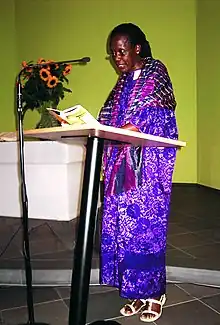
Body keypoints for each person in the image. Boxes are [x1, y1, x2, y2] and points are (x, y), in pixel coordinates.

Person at [98, 23, 178, 323]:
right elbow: (106, 116)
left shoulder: (156, 72)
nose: (117, 58)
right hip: (121, 168)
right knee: (123, 229)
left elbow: (164, 114)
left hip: (146, 168)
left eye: (121, 51)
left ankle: (155, 293)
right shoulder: (120, 85)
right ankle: (135, 291)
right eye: (112, 54)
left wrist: (138, 126)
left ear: (137, 48)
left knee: (145, 230)